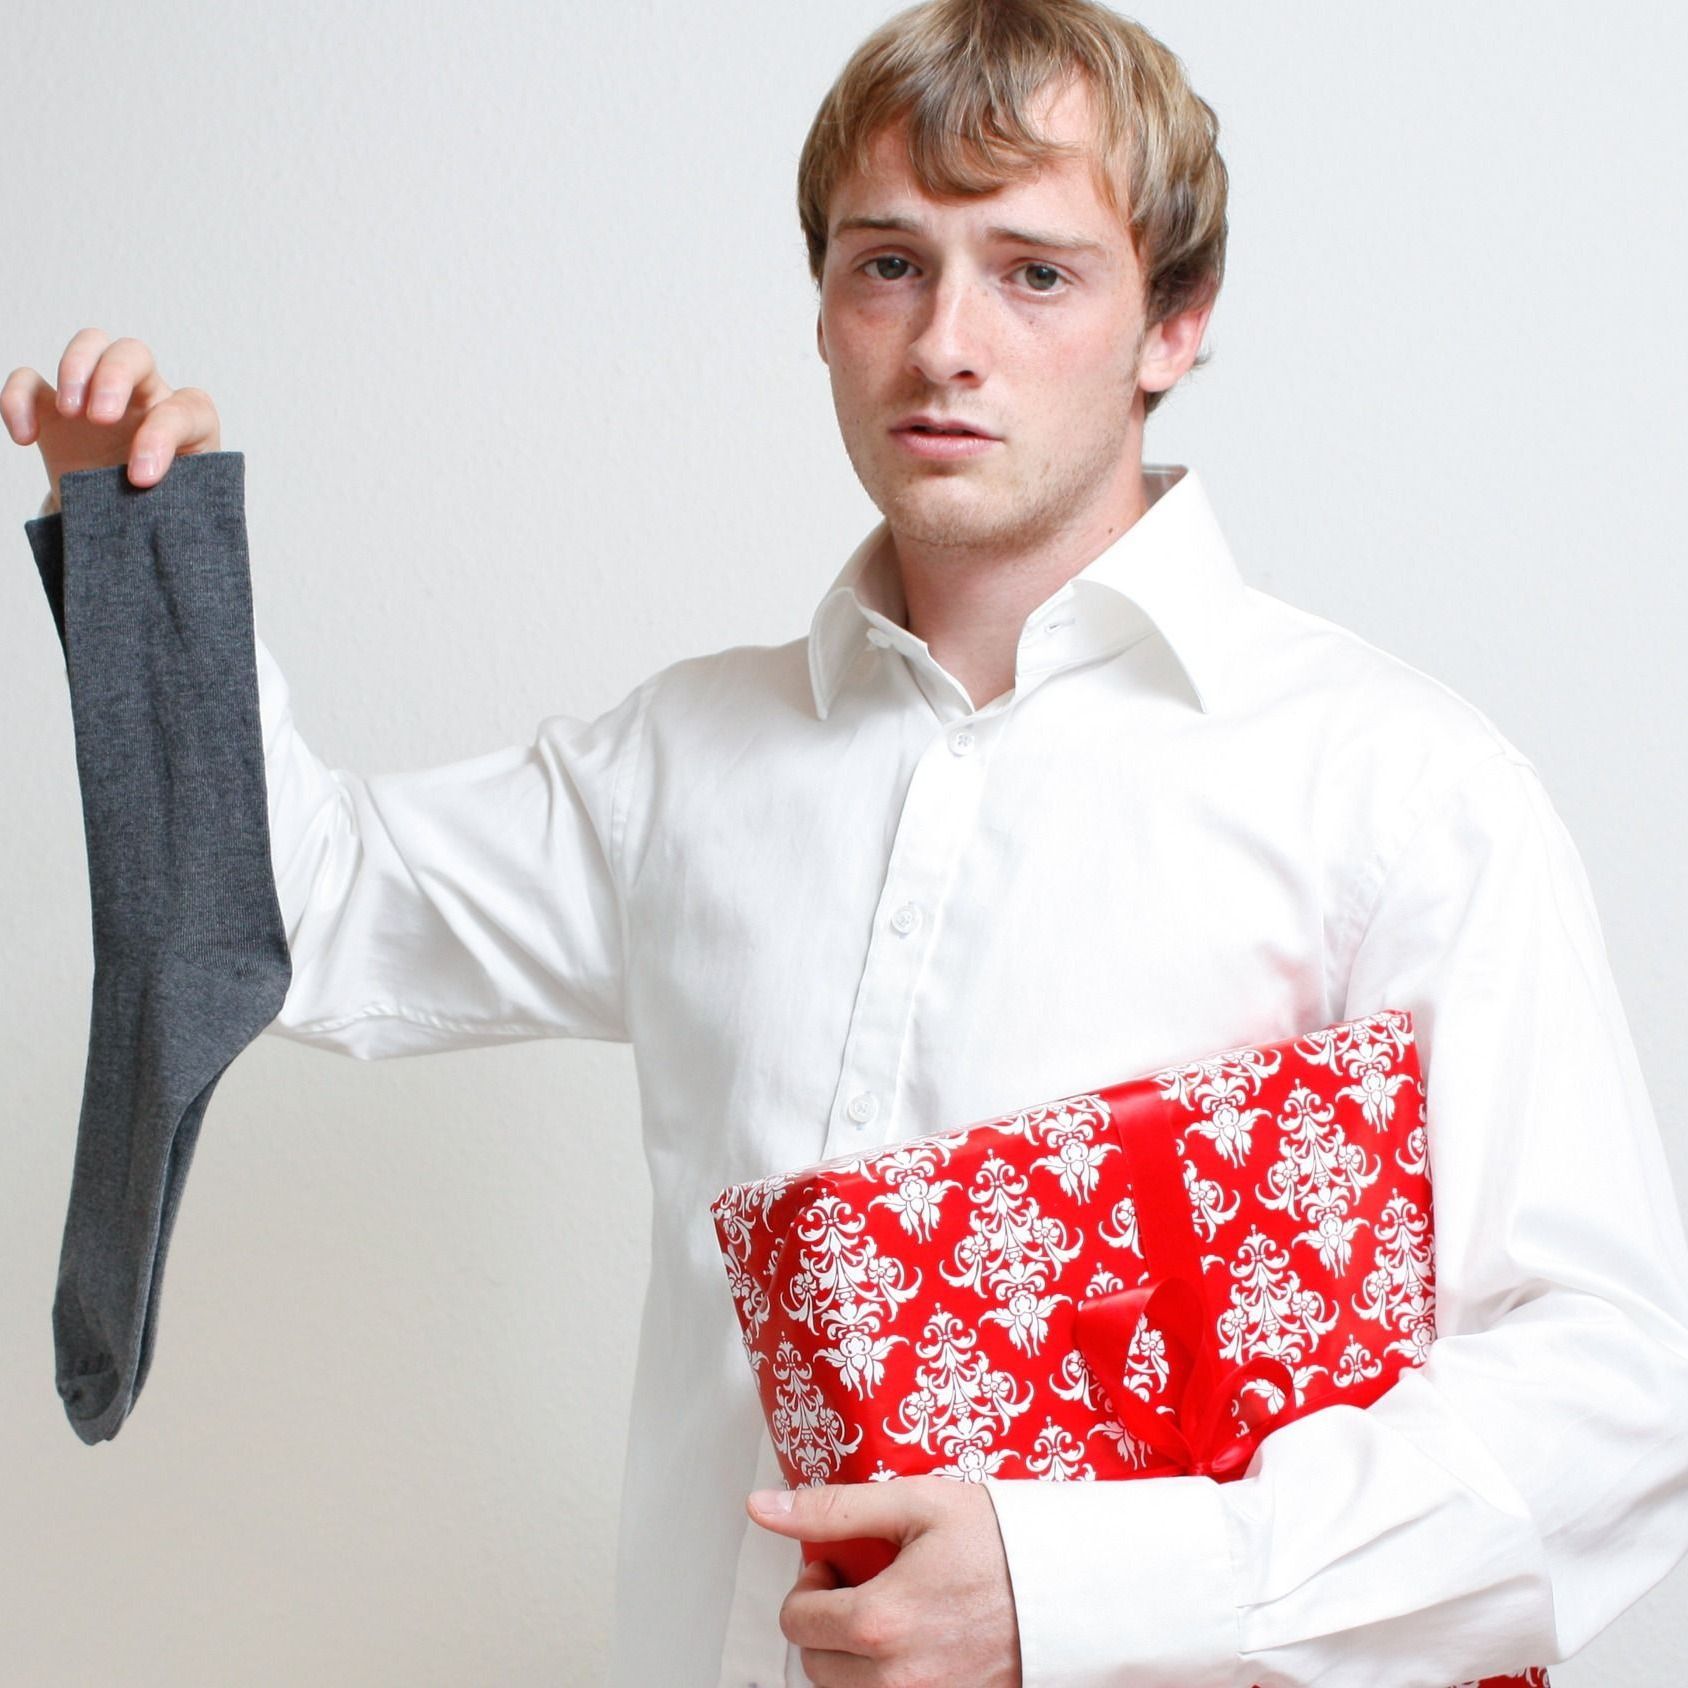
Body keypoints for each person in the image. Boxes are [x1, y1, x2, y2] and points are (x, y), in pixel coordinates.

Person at [9, 2, 1688, 1684]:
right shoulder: (684, 763)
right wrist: (146, 551)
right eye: (890, 264)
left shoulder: (1393, 789)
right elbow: (290, 911)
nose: (946, 343)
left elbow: (1615, 1402)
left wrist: (1070, 1587)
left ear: (1174, 321)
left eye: (1036, 274)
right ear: (823, 306)